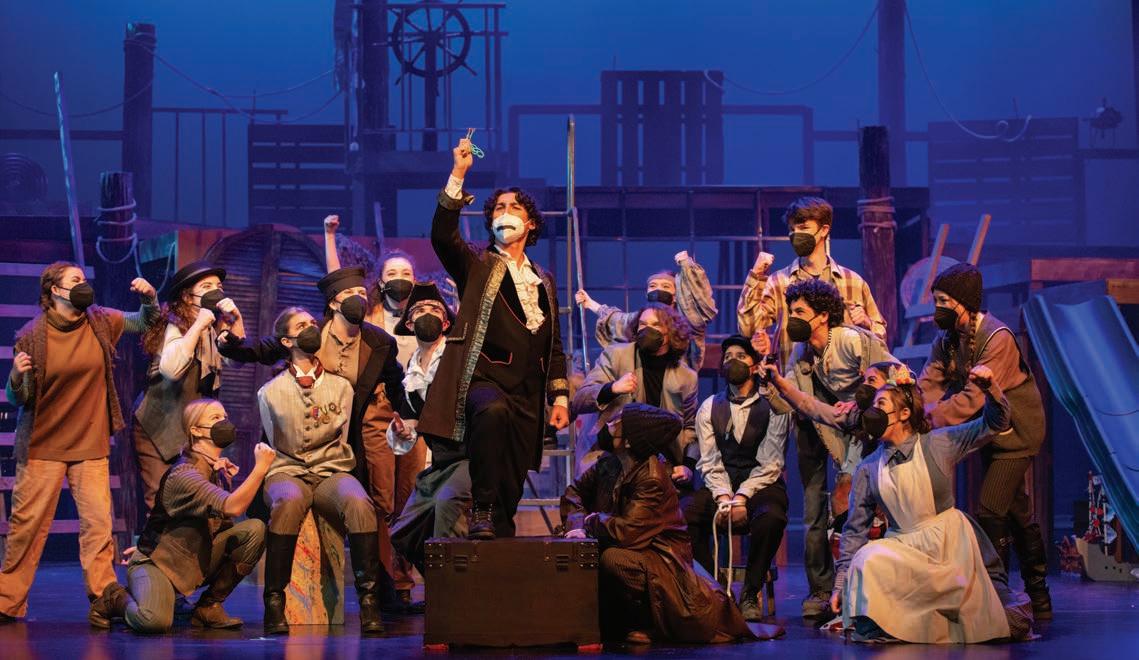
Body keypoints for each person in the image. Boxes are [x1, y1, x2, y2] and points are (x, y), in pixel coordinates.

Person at [219, 265, 412, 612]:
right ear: (333, 302)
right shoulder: (312, 334)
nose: (357, 299)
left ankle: (378, 595)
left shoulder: (379, 341)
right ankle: (276, 599)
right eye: (349, 294)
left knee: (371, 504)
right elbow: (264, 348)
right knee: (292, 500)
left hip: (346, 438)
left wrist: (410, 416)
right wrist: (232, 344)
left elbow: (396, 383)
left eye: (361, 293)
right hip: (295, 442)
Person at [416, 137, 570, 540]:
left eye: (514, 207)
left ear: (530, 223)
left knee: (510, 489)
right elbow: (442, 236)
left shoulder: (544, 281)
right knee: (492, 411)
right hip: (484, 381)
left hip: (528, 394)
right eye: (499, 208)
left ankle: (496, 544)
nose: (505, 212)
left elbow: (553, 345)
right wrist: (459, 173)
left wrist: (560, 397)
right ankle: (480, 508)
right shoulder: (477, 264)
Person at [1, 262, 157, 626]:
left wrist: (150, 299)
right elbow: (19, 398)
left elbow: (143, 322)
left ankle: (103, 596)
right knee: (27, 527)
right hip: (43, 445)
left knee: (98, 526)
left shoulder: (100, 320)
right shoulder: (32, 335)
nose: (83, 284)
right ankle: (8, 602)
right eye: (75, 280)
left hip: (90, 442)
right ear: (55, 290)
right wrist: (16, 376)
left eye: (84, 279)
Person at [832, 365, 1034, 643]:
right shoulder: (868, 468)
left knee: (993, 617)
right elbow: (855, 531)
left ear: (904, 413)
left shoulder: (939, 444)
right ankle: (900, 623)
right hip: (902, 547)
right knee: (867, 558)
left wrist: (990, 388)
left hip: (947, 547)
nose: (873, 412)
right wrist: (841, 584)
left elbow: (994, 423)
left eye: (881, 404)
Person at [568, 403, 779, 644]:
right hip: (639, 551)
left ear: (629, 441)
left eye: (618, 422)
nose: (610, 424)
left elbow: (627, 532)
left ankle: (654, 623)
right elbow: (574, 492)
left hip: (662, 562)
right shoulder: (610, 462)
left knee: (614, 559)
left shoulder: (652, 478)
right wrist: (577, 526)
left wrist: (591, 521)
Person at [917, 263, 1052, 618]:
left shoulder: (997, 338)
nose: (938, 308)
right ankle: (1039, 596)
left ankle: (996, 594)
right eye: (936, 300)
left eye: (944, 301)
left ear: (965, 303)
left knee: (990, 509)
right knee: (1017, 511)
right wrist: (912, 407)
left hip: (1016, 429)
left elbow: (971, 400)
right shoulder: (948, 339)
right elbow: (929, 382)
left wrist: (928, 419)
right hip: (988, 430)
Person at [256, 306, 386, 635]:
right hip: (287, 470)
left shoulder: (342, 388)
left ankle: (369, 601)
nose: (311, 328)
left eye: (313, 323)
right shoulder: (269, 392)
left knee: (359, 502)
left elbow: (343, 438)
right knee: (287, 501)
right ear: (287, 341)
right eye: (302, 325)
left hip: (331, 470)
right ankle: (274, 601)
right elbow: (274, 440)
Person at [778, 278, 897, 617]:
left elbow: (894, 373)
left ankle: (874, 583)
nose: (793, 318)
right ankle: (839, 586)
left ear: (823, 316)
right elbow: (790, 399)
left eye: (800, 311)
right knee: (837, 502)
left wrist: (863, 400)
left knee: (863, 501)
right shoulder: (803, 353)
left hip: (873, 425)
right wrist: (771, 380)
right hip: (841, 428)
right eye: (791, 311)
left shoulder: (848, 340)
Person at [119, 399, 271, 633]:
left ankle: (208, 606)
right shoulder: (185, 474)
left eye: (224, 417)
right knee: (154, 621)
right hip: (157, 564)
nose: (224, 423)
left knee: (254, 530)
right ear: (196, 430)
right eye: (215, 418)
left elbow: (221, 525)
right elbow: (233, 507)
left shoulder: (215, 469)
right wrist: (260, 469)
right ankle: (116, 599)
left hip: (187, 558)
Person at [686, 335, 790, 621]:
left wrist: (742, 496)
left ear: (755, 366)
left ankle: (750, 592)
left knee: (772, 517)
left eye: (741, 356)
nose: (733, 360)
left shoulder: (774, 405)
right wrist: (723, 495)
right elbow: (709, 460)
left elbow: (771, 461)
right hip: (722, 480)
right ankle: (713, 588)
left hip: (761, 482)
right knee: (686, 514)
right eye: (728, 356)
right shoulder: (710, 406)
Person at [135, 261, 246, 512]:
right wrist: (198, 325)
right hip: (160, 428)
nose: (216, 291)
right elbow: (172, 370)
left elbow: (237, 361)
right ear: (187, 297)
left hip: (192, 431)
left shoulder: (216, 328)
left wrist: (236, 322)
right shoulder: (175, 324)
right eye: (206, 286)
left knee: (195, 501)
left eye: (219, 286)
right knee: (161, 504)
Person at [736, 196, 886, 373]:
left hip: (842, 382)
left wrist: (867, 323)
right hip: (794, 380)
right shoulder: (779, 282)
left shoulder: (853, 282)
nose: (796, 234)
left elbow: (881, 339)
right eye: (792, 229)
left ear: (823, 230)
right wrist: (756, 275)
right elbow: (748, 328)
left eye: (803, 228)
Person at [386, 282, 471, 574]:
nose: (427, 314)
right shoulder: (412, 369)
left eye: (434, 310)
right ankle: (439, 582)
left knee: (447, 508)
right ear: (410, 324)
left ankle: (455, 588)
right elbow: (411, 423)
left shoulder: (456, 356)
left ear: (446, 323)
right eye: (419, 310)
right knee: (403, 531)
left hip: (469, 454)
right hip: (442, 462)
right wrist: (402, 431)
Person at [571, 303, 699, 490]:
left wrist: (688, 466)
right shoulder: (616, 355)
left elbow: (691, 428)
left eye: (655, 325)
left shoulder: (686, 376)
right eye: (643, 324)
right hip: (613, 457)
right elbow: (580, 400)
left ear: (670, 332)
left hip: (662, 465)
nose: (647, 329)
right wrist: (612, 388)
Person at [576, 250, 717, 369]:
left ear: (676, 296)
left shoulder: (686, 322)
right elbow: (618, 321)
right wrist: (591, 304)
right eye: (653, 286)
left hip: (677, 380)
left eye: (666, 286)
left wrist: (687, 265)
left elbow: (699, 303)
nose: (658, 289)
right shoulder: (640, 318)